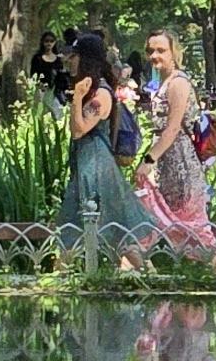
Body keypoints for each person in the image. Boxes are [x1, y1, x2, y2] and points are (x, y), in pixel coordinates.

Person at [60, 29, 151, 256]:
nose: (69, 60)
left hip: (96, 166)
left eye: (74, 56)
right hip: (87, 162)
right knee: (104, 229)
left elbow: (78, 130)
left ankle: (148, 273)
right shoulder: (93, 91)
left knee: (111, 228)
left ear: (86, 59)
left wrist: (77, 98)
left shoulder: (101, 94)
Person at [135, 31, 216, 263]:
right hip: (166, 162)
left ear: (174, 52)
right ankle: (137, 273)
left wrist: (148, 161)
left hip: (181, 164)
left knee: (196, 227)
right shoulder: (162, 83)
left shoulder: (178, 83)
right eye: (150, 51)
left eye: (161, 50)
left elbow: (173, 129)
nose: (154, 56)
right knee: (150, 219)